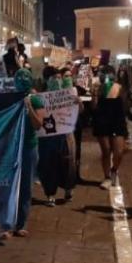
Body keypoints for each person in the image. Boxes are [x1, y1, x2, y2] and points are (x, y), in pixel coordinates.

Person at [0, 68, 45, 240]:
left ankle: (21, 224)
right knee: (9, 187)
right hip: (11, 148)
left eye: (25, 78)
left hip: (28, 147)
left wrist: (29, 107)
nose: (22, 81)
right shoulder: (10, 99)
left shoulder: (35, 100)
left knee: (25, 187)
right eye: (19, 78)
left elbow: (38, 124)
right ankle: (6, 225)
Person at [37, 67, 79, 207]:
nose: (57, 80)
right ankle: (50, 194)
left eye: (59, 78)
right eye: (54, 78)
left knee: (68, 162)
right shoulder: (40, 95)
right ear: (46, 80)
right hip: (48, 135)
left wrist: (77, 102)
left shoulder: (68, 93)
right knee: (48, 164)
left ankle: (68, 188)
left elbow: (80, 111)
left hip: (66, 134)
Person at [91, 65, 128, 189]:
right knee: (106, 150)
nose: (107, 77)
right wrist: (95, 95)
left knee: (119, 152)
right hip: (102, 121)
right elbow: (94, 107)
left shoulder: (120, 88)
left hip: (117, 121)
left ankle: (114, 169)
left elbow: (125, 104)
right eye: (104, 74)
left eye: (109, 74)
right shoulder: (98, 88)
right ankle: (106, 177)